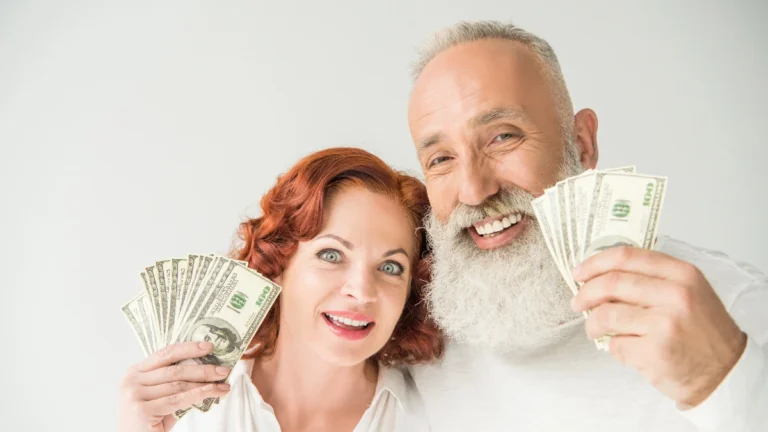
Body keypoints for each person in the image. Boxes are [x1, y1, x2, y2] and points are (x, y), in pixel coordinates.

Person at [406, 20, 768, 431]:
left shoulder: (731, 310)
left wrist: (722, 383)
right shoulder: (409, 336)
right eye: (440, 159)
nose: (473, 190)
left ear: (582, 143)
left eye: (502, 137)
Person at [118, 147, 444, 432]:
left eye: (390, 267)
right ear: (278, 265)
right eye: (331, 255)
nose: (361, 291)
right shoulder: (186, 416)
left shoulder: (437, 416)